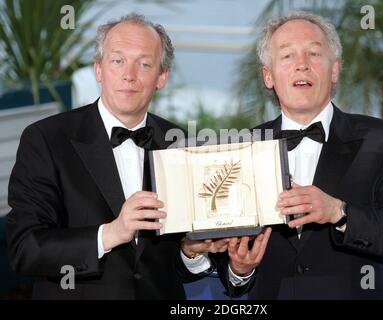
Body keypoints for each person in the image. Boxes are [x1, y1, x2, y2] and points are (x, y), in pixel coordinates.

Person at [5, 13, 229, 299]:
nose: (129, 75)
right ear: (98, 69)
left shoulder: (183, 144)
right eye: (117, 61)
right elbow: (26, 249)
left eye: (144, 64)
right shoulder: (46, 139)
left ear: (162, 77)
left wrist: (190, 253)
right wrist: (110, 233)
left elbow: (174, 264)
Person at [223, 11, 383, 299]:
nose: (301, 65)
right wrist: (239, 268)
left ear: (334, 70)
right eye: (287, 56)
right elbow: (230, 273)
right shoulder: (241, 149)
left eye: (313, 53)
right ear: (268, 76)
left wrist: (339, 212)